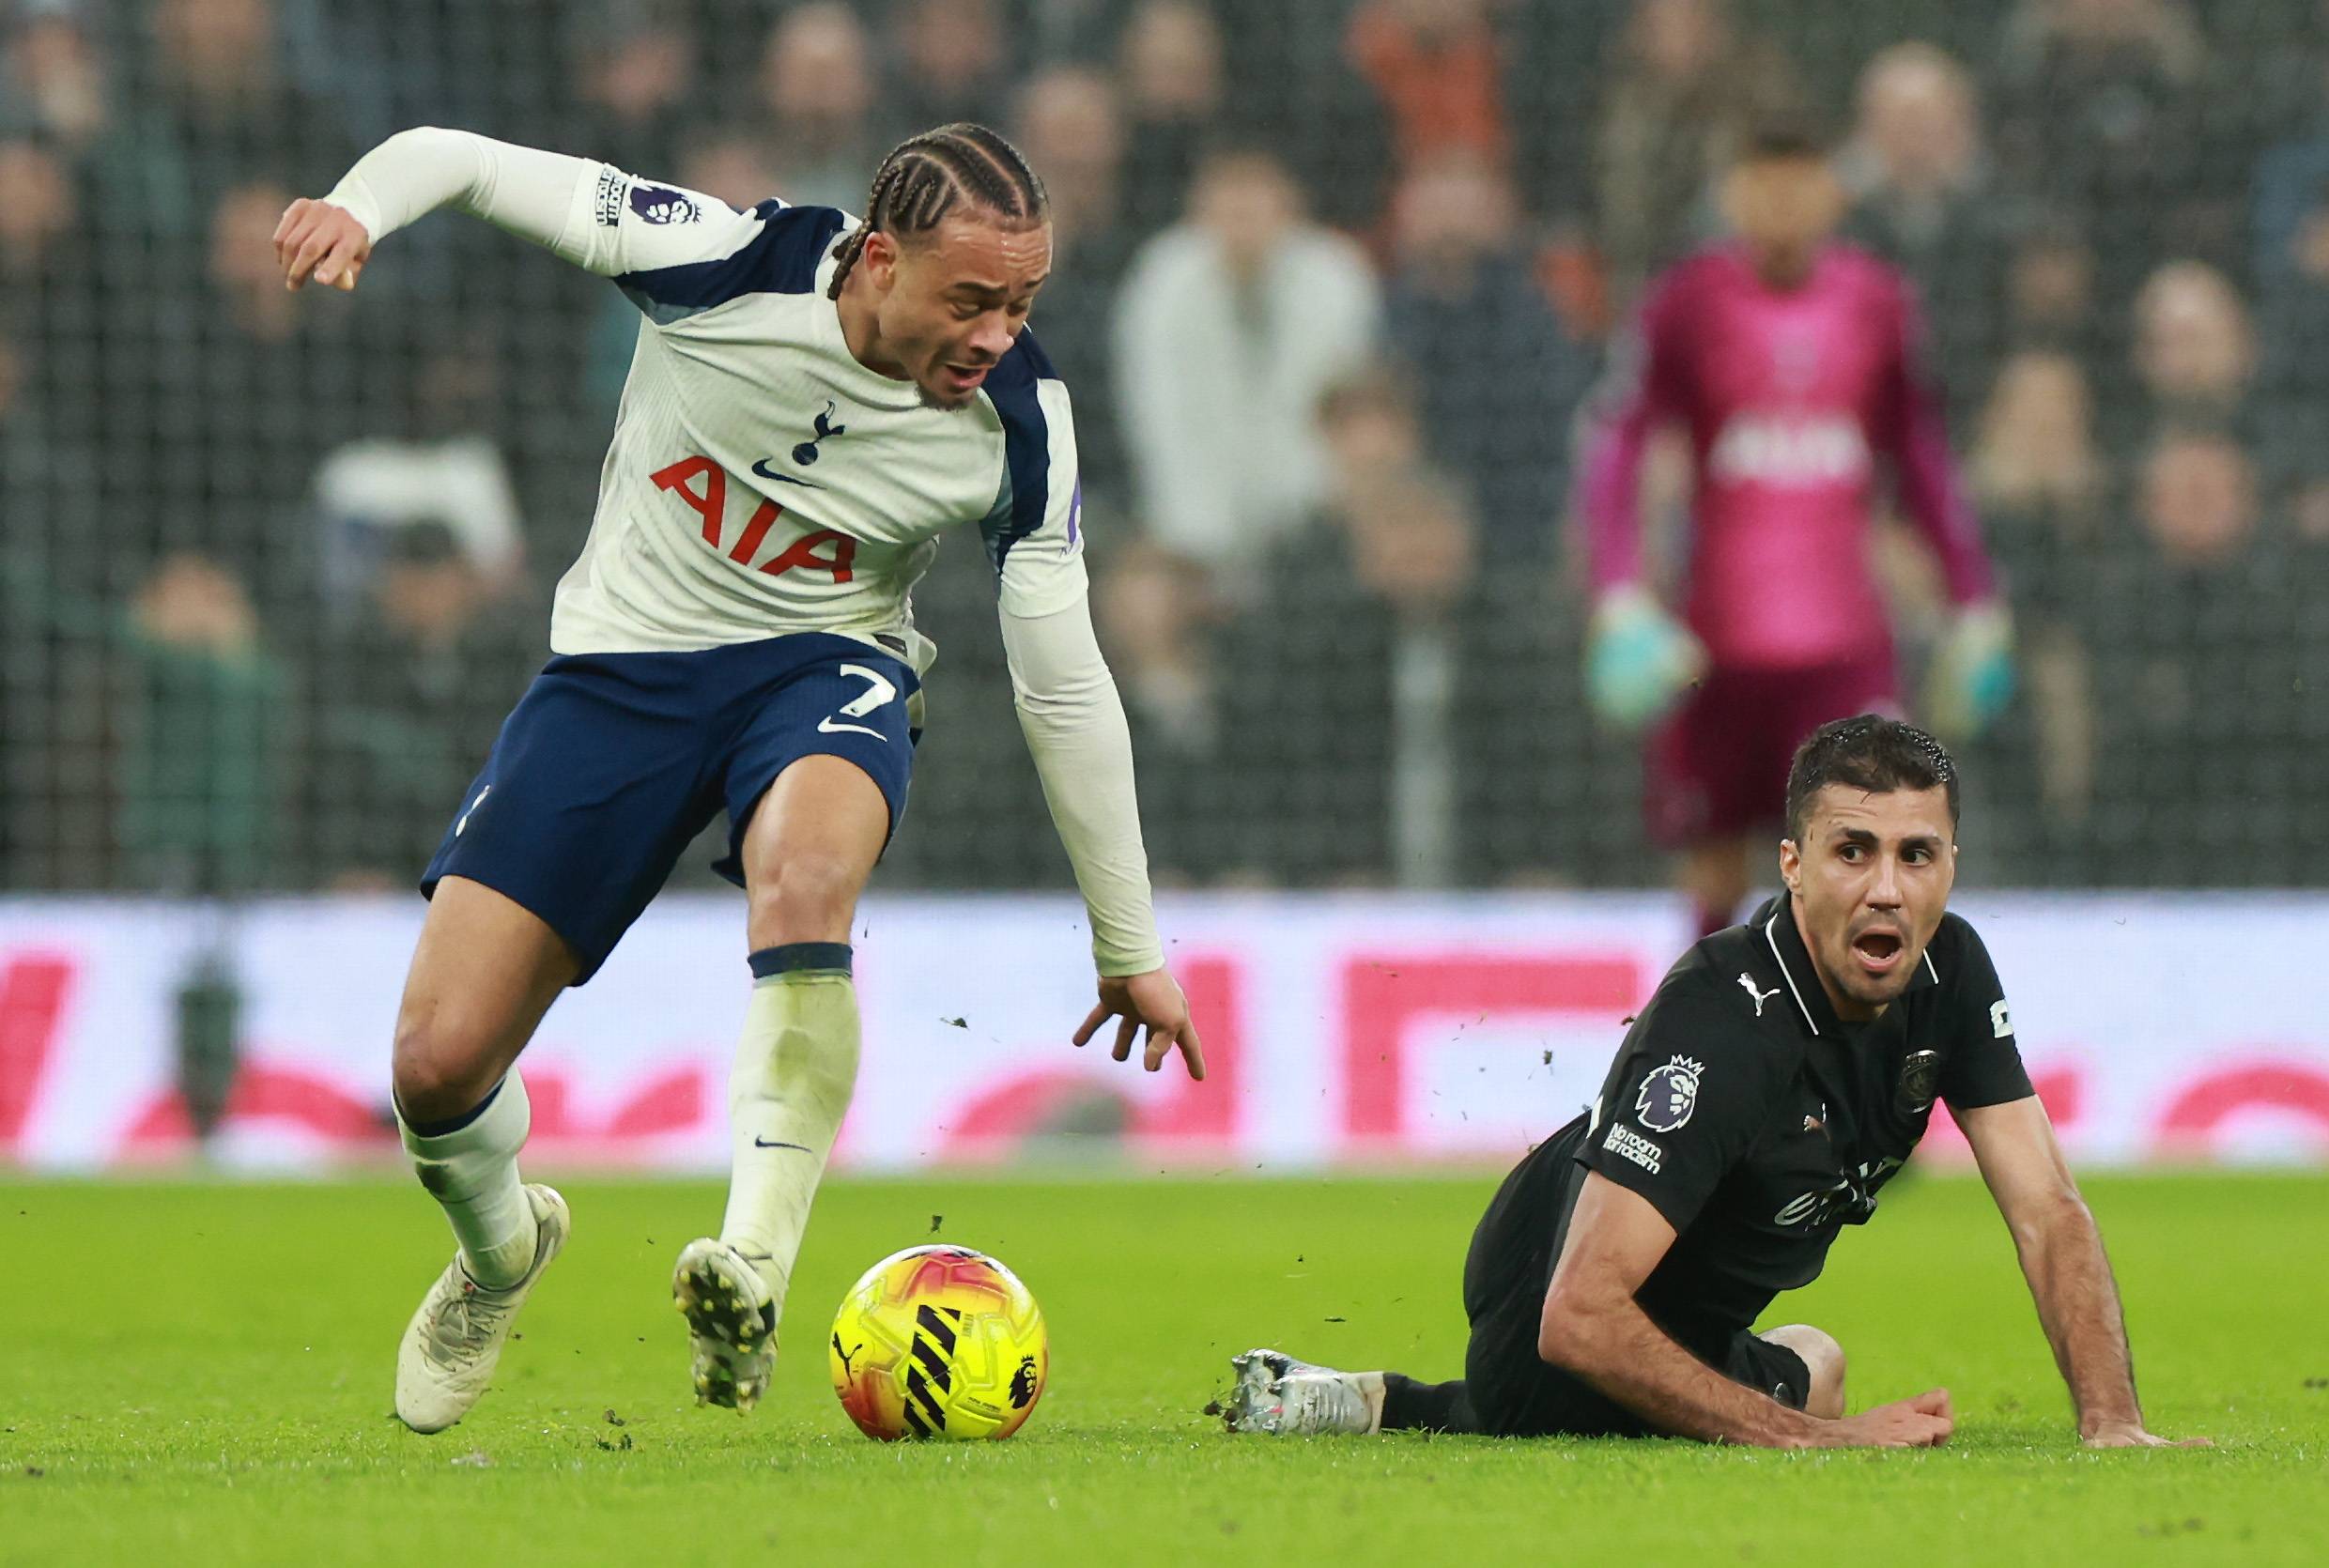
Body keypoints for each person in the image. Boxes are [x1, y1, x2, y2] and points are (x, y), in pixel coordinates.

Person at [274, 119, 1205, 1434]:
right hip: (621, 676)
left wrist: (1128, 940)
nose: (1000, 335)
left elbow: (1062, 683)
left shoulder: (1020, 423)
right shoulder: (717, 260)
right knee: (434, 1065)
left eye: (1023, 302)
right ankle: (501, 1249)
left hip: (824, 668)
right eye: (971, 300)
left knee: (807, 874)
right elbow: (467, 161)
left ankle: (752, 1269)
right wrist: (359, 205)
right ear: (878, 260)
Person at [1224, 715, 2207, 1451]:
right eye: (1852, 851)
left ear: (1951, 865)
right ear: (1792, 865)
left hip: (1688, 1322)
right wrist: (1822, 1440)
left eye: (1917, 855)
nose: (1886, 889)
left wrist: (2112, 1421)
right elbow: (1578, 1318)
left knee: (1817, 1359)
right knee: (1608, 1408)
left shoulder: (1950, 968)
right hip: (1546, 1301)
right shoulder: (1722, 1017)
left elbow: (2048, 1210)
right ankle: (1412, 1404)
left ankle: (1368, 1401)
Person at [1577, 118, 2012, 941]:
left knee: (1858, 859)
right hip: (1716, 646)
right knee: (1713, 866)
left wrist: (1974, 598)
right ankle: (1710, 1017)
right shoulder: (1687, 302)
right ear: (1734, 196)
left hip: (1843, 650)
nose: (1781, 207)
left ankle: (1851, 1025)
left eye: (1798, 186)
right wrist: (1619, 593)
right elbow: (1619, 447)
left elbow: (1922, 459)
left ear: (1829, 195)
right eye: (1763, 187)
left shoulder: (1877, 303)